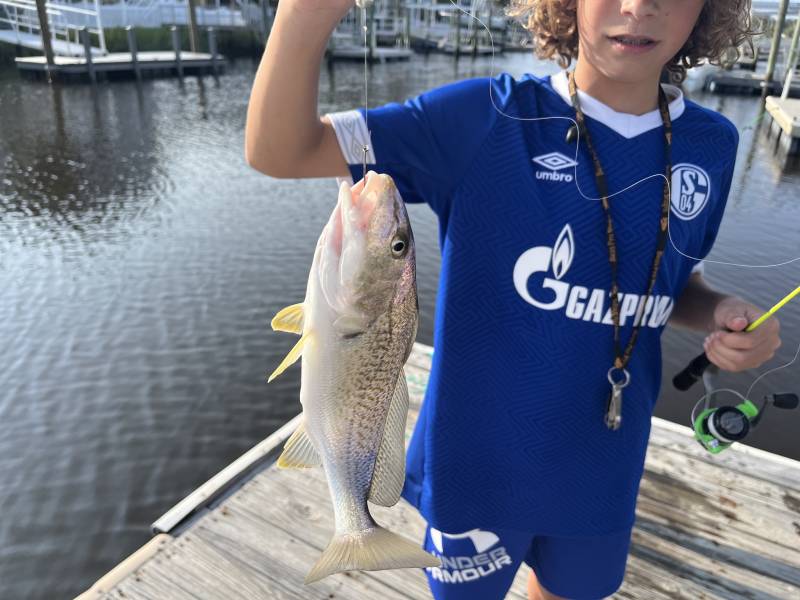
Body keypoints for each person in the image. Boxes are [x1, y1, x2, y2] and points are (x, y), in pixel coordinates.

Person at [245, 1, 782, 598]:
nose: (639, 7)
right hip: (476, 465)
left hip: (603, 464)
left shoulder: (712, 143)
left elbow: (674, 283)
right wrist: (303, 15)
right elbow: (281, 151)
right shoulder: (484, 117)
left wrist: (722, 313)